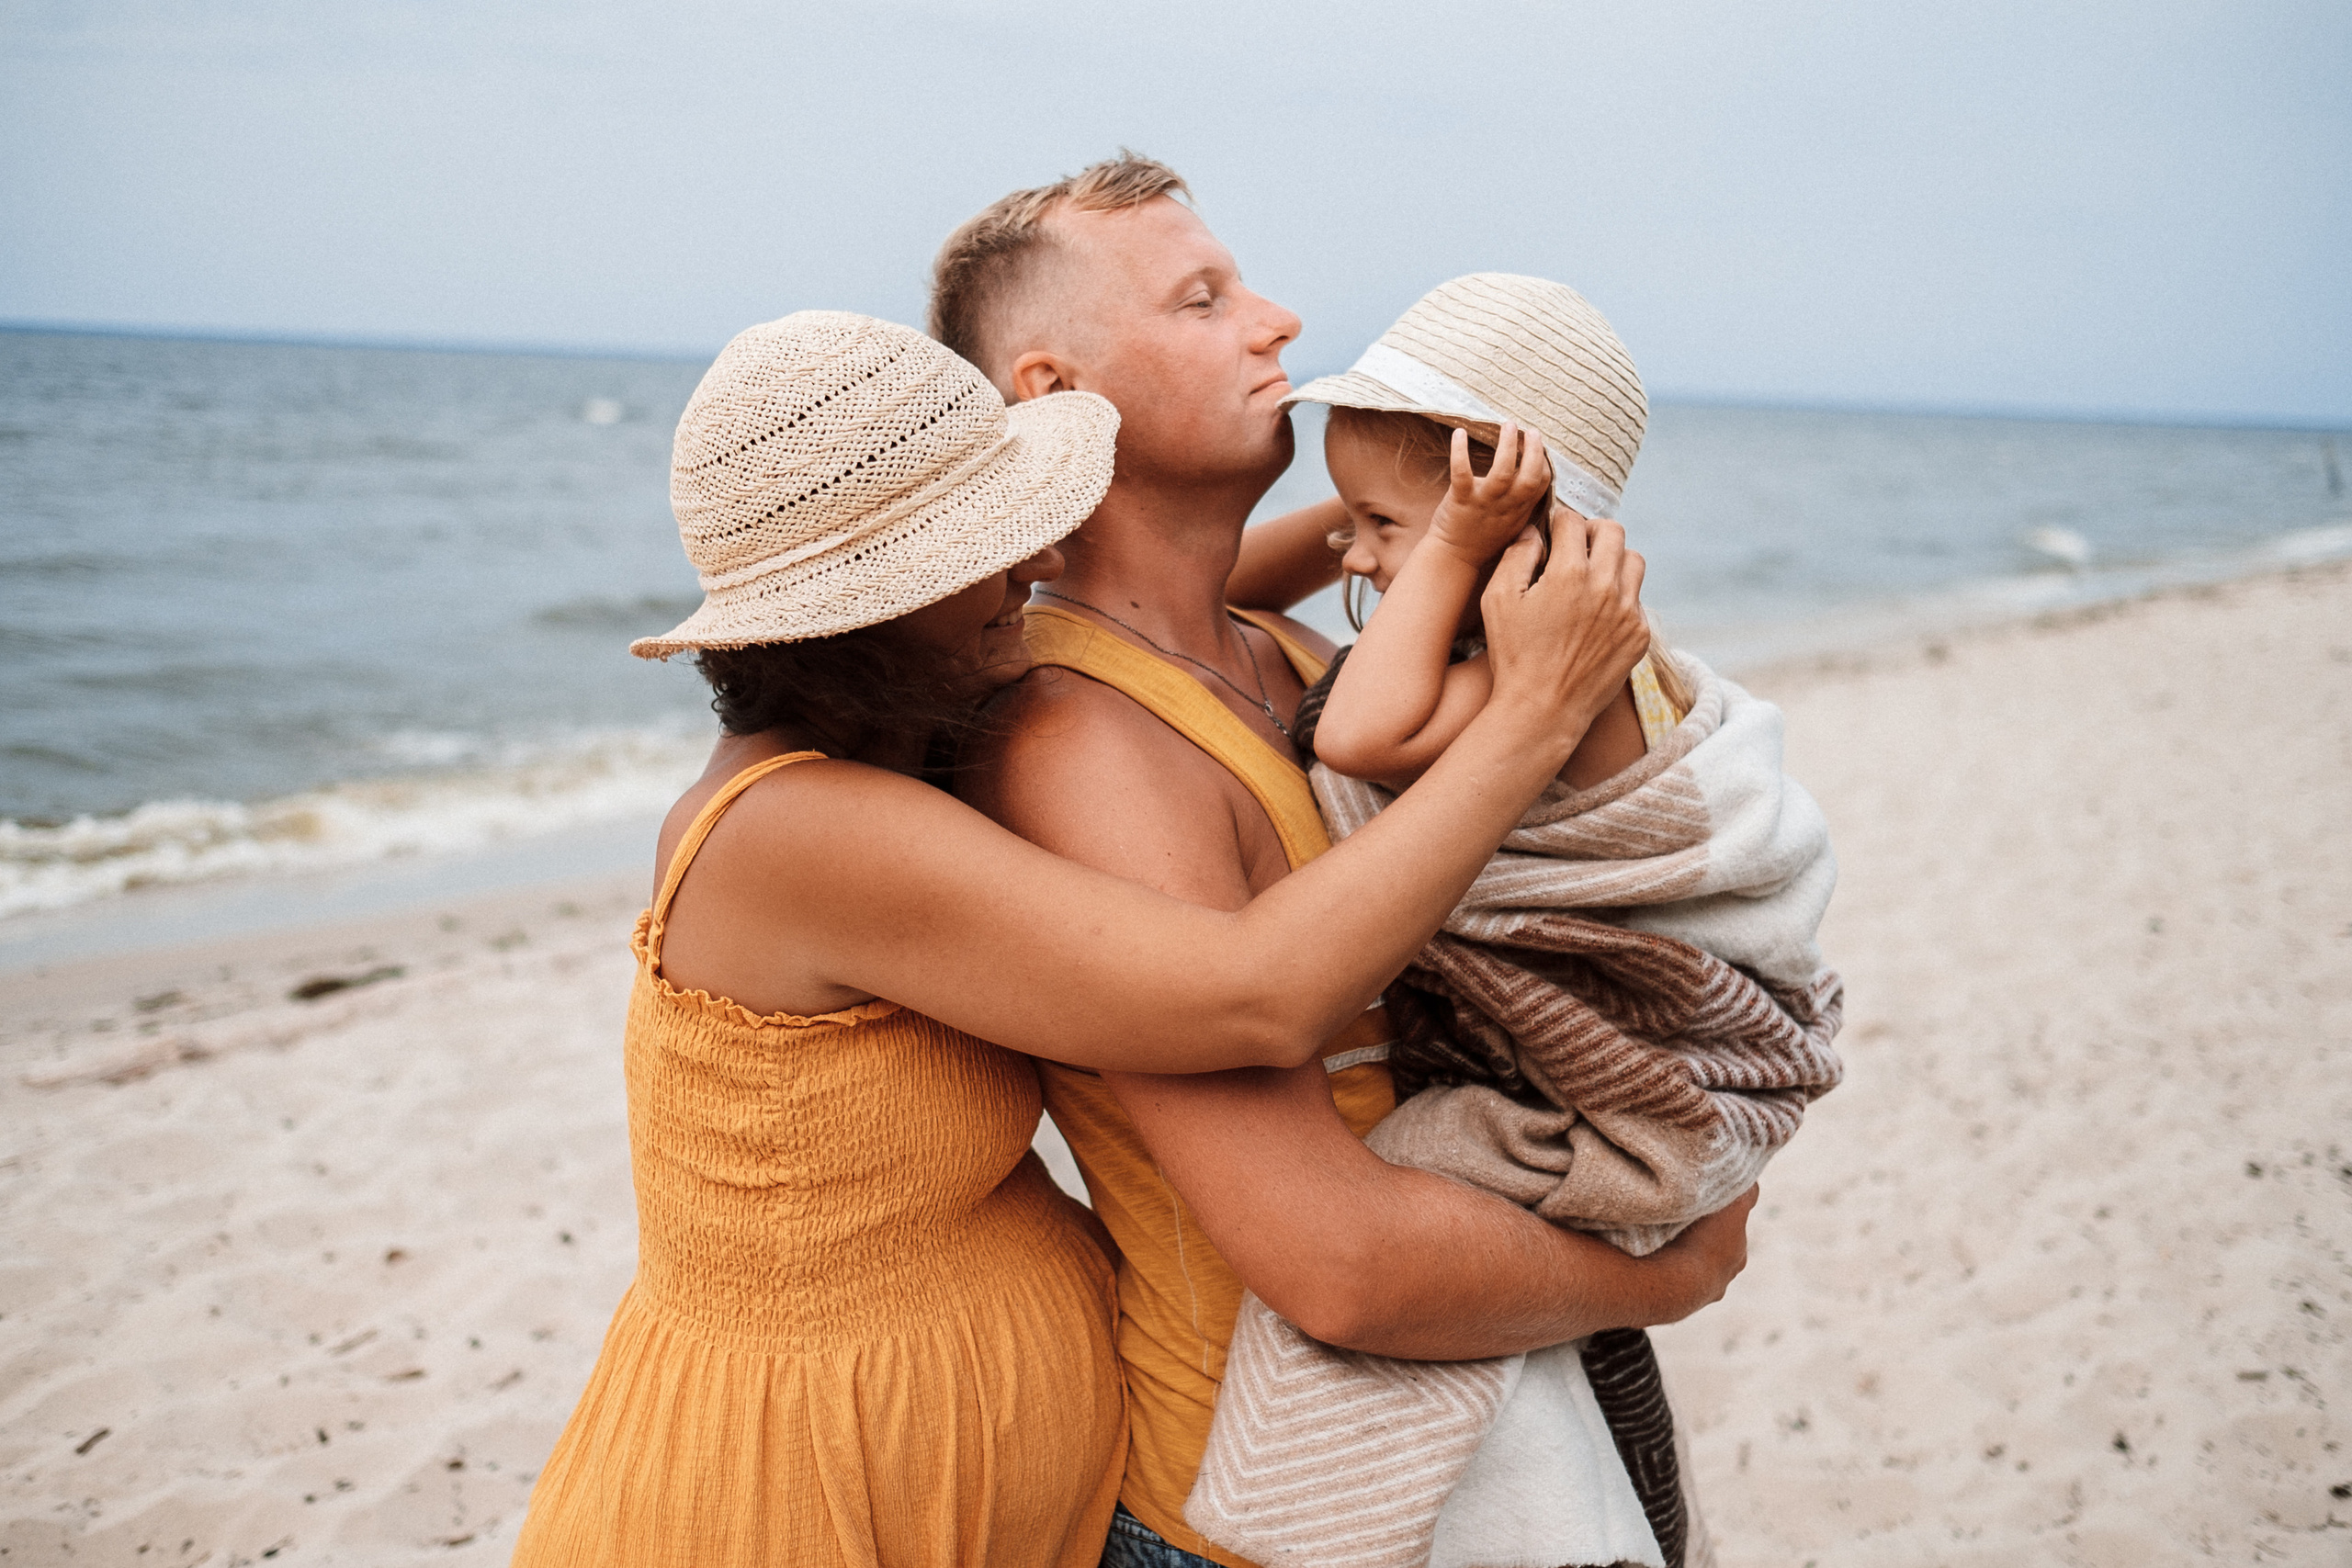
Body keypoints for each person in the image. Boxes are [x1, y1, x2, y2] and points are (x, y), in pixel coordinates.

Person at [508, 309, 1698, 1568]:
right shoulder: (801, 832)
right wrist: (1542, 708)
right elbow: (1258, 997)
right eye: (989, 548)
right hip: (793, 1498)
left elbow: (1174, 594)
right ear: (877, 603)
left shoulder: (898, 740)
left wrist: (1442, 524)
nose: (1033, 566)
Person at [932, 153, 1758, 1568]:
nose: (1280, 321)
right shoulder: (1081, 743)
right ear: (1054, 393)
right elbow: (1336, 1268)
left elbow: (1212, 599)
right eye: (1205, 299)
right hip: (1269, 1508)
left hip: (1475, 1410)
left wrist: (1465, 488)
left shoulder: (1293, 654)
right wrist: (1673, 1268)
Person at [1183, 274, 1846, 1568]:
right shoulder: (1501, 602)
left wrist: (1441, 539)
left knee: (1430, 1160)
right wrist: (1427, 516)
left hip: (1635, 1043)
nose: (1354, 557)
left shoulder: (1552, 651)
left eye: (1375, 525)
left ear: (1498, 513)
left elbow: (1363, 731)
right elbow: (1217, 593)